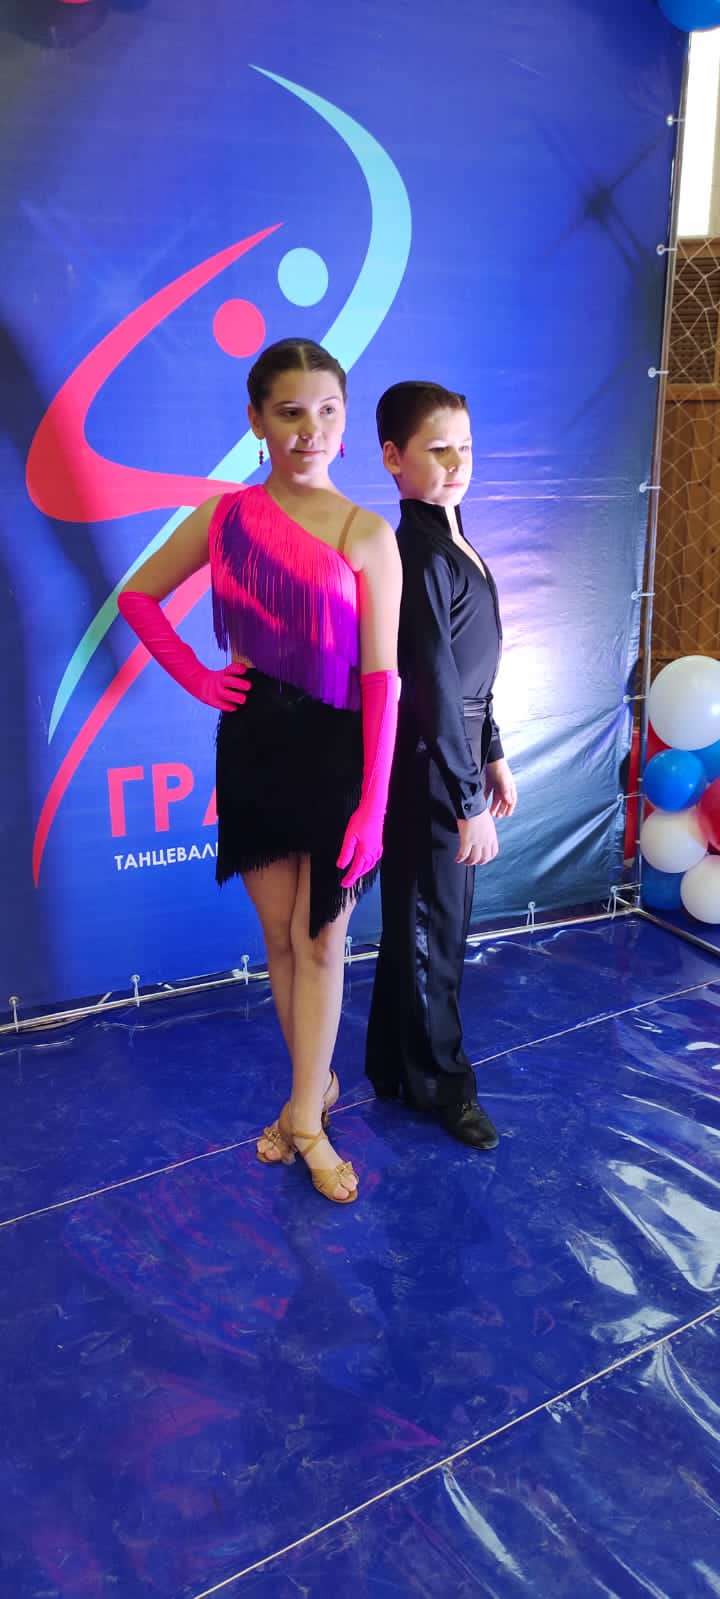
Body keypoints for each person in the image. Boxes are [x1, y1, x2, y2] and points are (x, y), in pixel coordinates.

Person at [118, 338, 402, 1204]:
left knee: (323, 940)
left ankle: (306, 1119)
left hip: (339, 754)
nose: (310, 430)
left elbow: (383, 681)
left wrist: (373, 806)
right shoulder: (224, 517)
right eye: (290, 412)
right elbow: (138, 595)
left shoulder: (366, 532)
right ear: (256, 421)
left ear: (345, 423)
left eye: (327, 411)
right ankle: (313, 1087)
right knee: (280, 939)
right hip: (253, 748)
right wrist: (200, 678)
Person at [365, 381, 517, 1149]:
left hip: (453, 755)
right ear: (394, 458)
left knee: (417, 925)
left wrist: (494, 754)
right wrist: (466, 799)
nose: (456, 463)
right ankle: (444, 1086)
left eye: (466, 447)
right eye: (437, 449)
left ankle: (394, 1066)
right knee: (434, 930)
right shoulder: (418, 553)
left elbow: (472, 673)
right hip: (428, 768)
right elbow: (429, 682)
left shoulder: (456, 540)